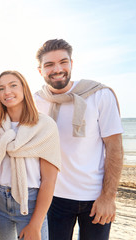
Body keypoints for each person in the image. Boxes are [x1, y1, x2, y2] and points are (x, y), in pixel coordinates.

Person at [34, 39, 124, 240]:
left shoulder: (99, 95)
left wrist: (109, 197)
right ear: (40, 70)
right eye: (49, 65)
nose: (57, 69)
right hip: (52, 198)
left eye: (63, 62)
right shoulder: (35, 101)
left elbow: (115, 147)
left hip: (95, 198)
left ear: (71, 64)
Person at [0, 70, 61, 240]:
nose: (7, 92)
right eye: (1, 88)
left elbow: (49, 179)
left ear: (24, 89)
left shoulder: (45, 126)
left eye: (13, 85)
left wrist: (36, 223)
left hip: (31, 203)